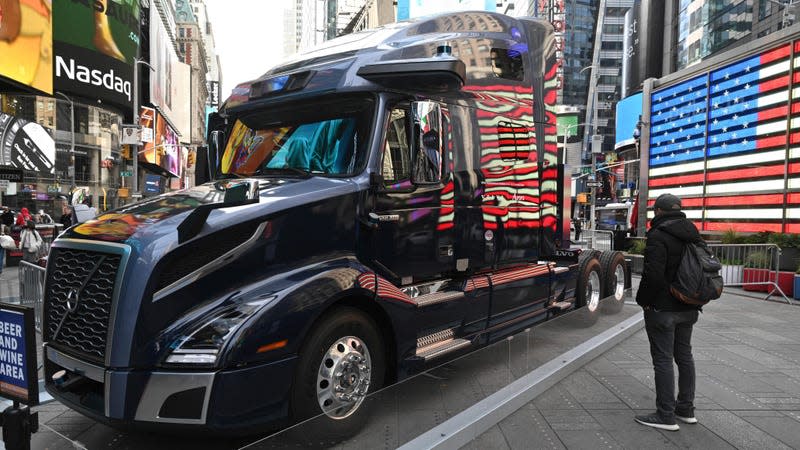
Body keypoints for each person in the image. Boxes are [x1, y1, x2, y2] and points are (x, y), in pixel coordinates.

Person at [635, 193, 702, 431]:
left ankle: (665, 415)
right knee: (684, 356)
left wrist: (643, 301)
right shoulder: (692, 233)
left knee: (663, 360)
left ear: (659, 211)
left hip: (663, 308)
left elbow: (653, 275)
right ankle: (686, 408)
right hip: (689, 305)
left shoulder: (658, 235)